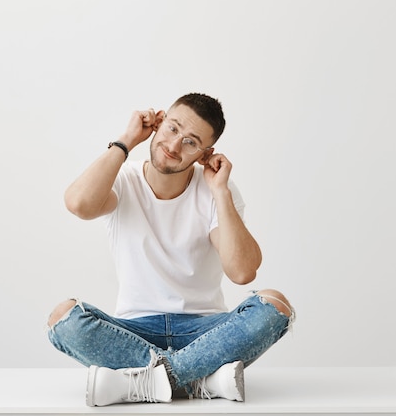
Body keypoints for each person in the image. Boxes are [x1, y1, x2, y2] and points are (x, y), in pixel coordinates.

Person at [47, 93, 295, 406]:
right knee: (64, 318)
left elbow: (243, 271)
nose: (175, 146)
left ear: (205, 153)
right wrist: (126, 140)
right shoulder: (123, 179)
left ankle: (142, 382)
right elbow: (79, 204)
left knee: (275, 305)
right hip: (134, 330)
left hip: (204, 332)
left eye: (191, 142)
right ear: (159, 122)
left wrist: (219, 190)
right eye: (173, 129)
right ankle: (199, 378)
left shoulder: (217, 189)